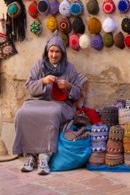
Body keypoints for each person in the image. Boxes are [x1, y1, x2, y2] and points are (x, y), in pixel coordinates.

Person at [12, 31, 82, 175]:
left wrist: (68, 86)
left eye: (57, 52)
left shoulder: (69, 68)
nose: (54, 55)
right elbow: (29, 86)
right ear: (47, 51)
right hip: (37, 101)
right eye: (51, 51)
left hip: (60, 105)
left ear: (62, 53)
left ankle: (45, 156)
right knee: (22, 113)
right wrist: (43, 81)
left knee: (52, 113)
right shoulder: (39, 65)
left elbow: (78, 92)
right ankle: (30, 155)